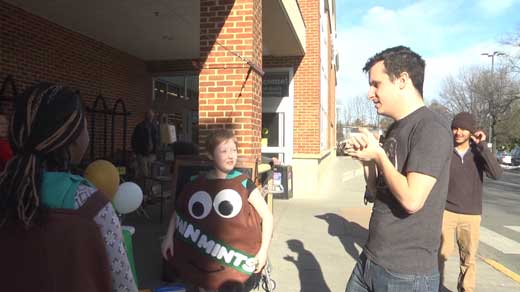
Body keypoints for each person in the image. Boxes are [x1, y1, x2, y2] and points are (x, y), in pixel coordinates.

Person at [0, 82, 137, 292]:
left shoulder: (8, 191)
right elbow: (124, 286)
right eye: (85, 124)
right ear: (70, 138)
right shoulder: (91, 205)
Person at [344, 46, 452, 292]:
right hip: (370, 260)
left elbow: (412, 200)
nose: (370, 94)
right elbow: (374, 192)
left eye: (376, 84)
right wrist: (367, 160)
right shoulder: (395, 129)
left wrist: (380, 155)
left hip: (406, 276)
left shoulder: (431, 128)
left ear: (402, 80)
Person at [161, 129, 274, 292]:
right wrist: (168, 237)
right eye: (224, 150)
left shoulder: (244, 183)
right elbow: (179, 212)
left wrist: (263, 252)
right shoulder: (196, 183)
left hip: (235, 267)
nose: (230, 155)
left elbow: (267, 216)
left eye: (234, 150)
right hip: (202, 264)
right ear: (210, 155)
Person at [438, 112, 502, 292]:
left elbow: (496, 174)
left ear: (471, 131)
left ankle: (466, 289)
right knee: (439, 255)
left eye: (463, 129)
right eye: (455, 128)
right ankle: (434, 287)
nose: (458, 132)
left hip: (471, 215)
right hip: (446, 212)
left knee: (468, 260)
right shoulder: (445, 150)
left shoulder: (478, 153)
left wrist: (482, 146)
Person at [131, 109, 159, 186]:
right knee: (144, 173)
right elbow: (134, 140)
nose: (150, 117)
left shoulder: (154, 127)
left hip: (151, 154)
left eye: (152, 116)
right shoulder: (140, 127)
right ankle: (145, 189)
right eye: (149, 116)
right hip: (142, 153)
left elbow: (156, 139)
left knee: (150, 173)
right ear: (146, 116)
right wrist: (135, 152)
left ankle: (149, 188)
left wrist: (155, 151)